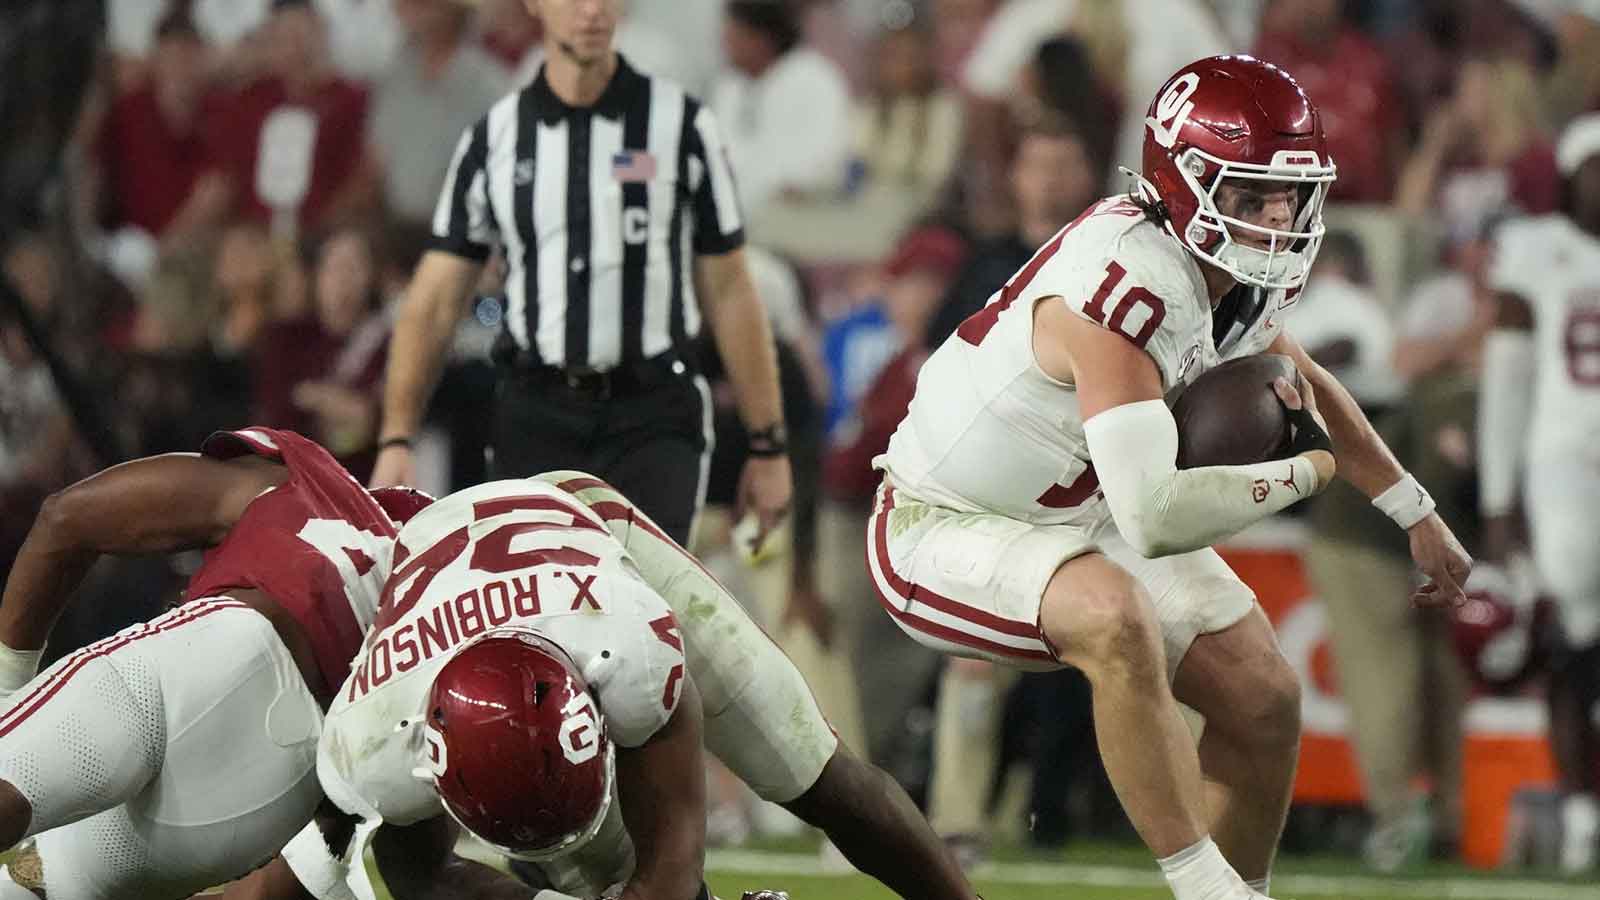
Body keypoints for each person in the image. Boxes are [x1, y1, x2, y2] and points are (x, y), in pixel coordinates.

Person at [868, 55, 1471, 900]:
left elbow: (1304, 380)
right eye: (1250, 194)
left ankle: (1241, 893)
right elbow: (1151, 518)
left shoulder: (1233, 272)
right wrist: (1304, 474)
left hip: (1084, 505)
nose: (1277, 218)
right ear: (1184, 183)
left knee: (1263, 699)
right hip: (947, 522)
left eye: (1287, 195)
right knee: (1114, 617)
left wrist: (1414, 509)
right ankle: (1202, 886)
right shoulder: (1125, 282)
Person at [234, 474, 978, 900]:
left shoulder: (626, 649)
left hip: (592, 533)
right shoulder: (370, 739)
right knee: (574, 876)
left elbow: (672, 862)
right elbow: (397, 878)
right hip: (455, 584)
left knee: (815, 772)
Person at [368, 0, 791, 552]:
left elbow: (731, 290)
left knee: (647, 612)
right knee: (545, 616)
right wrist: (398, 437)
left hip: (654, 414)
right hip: (536, 412)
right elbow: (434, 299)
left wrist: (769, 446)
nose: (591, 11)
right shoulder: (495, 139)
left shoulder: (681, 128)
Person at [0, 428, 420, 898]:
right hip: (284, 789)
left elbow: (66, 519)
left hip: (217, 654)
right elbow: (397, 855)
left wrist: (6, 683)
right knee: (43, 882)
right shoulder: (429, 647)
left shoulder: (308, 488)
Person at [1478, 112, 1600, 875]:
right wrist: (1497, 502)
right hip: (1566, 470)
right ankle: (1583, 813)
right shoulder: (1535, 252)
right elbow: (1506, 382)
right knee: (1573, 647)